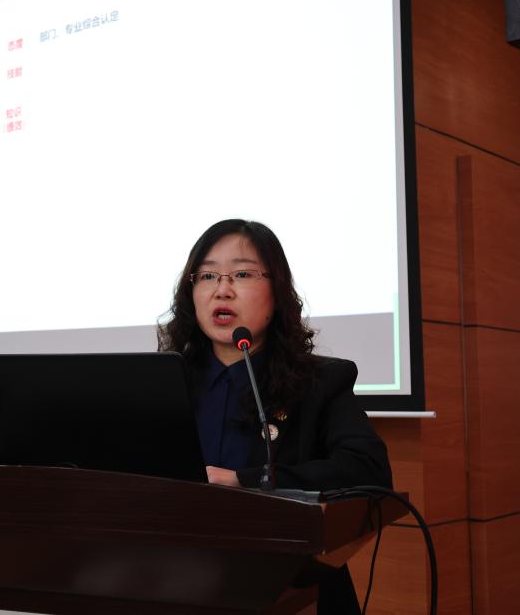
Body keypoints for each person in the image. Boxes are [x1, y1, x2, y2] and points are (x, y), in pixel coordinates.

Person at [158, 218, 392, 614]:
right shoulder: (166, 383)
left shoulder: (320, 383)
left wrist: (244, 481)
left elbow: (368, 470)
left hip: (292, 590)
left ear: (277, 290)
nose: (222, 289)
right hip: (174, 584)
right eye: (208, 275)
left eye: (242, 274)